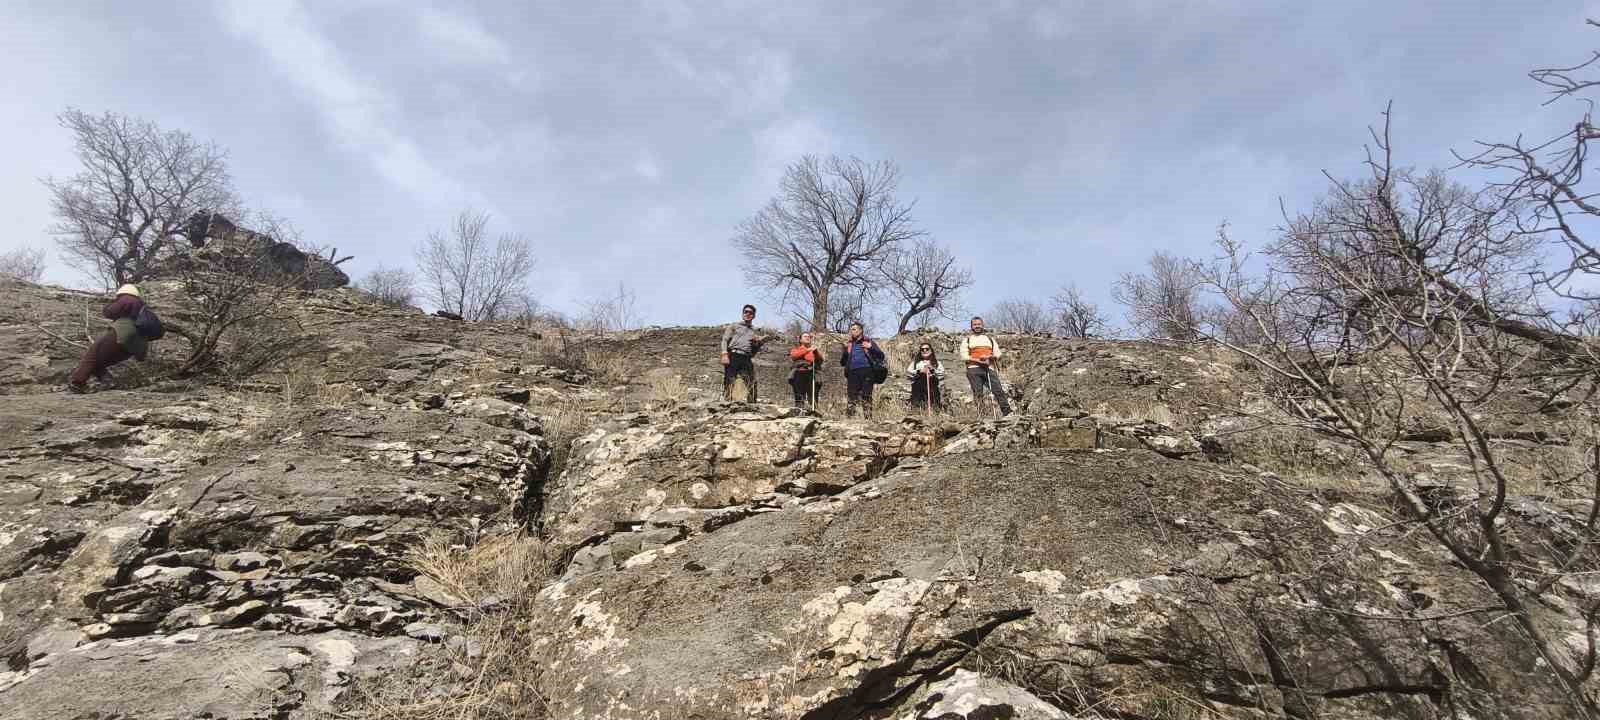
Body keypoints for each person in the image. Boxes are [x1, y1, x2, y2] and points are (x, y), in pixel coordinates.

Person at [69, 284, 151, 392]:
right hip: (137, 345)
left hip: (122, 334)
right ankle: (109, 382)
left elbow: (110, 312)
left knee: (92, 354)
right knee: (99, 361)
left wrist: (108, 306)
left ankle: (77, 383)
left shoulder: (127, 298)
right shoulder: (144, 307)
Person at [957, 316, 1012, 416]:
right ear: (971, 326)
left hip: (989, 368)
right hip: (973, 369)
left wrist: (989, 357)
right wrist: (978, 360)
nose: (977, 326)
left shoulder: (990, 339)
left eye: (979, 324)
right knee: (978, 393)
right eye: (975, 324)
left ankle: (1008, 413)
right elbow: (964, 356)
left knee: (998, 390)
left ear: (982, 325)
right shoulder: (967, 340)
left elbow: (998, 354)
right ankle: (981, 415)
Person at [838, 322, 885, 418]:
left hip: (867, 371)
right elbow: (842, 362)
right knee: (851, 396)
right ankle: (850, 419)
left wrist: (870, 347)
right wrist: (845, 350)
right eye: (851, 329)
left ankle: (868, 419)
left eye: (854, 329)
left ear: (860, 330)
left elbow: (881, 356)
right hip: (852, 372)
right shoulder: (849, 344)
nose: (852, 331)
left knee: (866, 395)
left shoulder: (868, 341)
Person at [720, 304, 767, 402]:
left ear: (753, 316)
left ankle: (752, 405)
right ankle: (726, 403)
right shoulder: (734, 325)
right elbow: (724, 340)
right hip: (733, 355)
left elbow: (754, 350)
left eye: (750, 313)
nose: (748, 314)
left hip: (746, 357)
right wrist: (724, 354)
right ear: (742, 314)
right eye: (746, 312)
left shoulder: (754, 331)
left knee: (751, 381)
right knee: (729, 379)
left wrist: (759, 343)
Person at [787, 331, 825, 409]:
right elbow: (794, 356)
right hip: (799, 373)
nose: (808, 337)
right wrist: (808, 350)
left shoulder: (814, 350)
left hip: (812, 373)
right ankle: (799, 410)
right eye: (805, 336)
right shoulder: (796, 349)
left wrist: (816, 352)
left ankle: (813, 410)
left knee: (813, 393)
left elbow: (820, 361)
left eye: (809, 337)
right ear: (800, 340)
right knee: (799, 393)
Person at [906, 341, 946, 414]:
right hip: (918, 389)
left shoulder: (937, 363)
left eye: (927, 349)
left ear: (931, 350)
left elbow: (942, 374)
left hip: (933, 387)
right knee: (918, 401)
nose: (925, 351)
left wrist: (933, 370)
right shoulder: (915, 363)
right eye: (922, 349)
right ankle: (917, 412)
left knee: (934, 399)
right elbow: (909, 373)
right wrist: (919, 371)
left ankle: (935, 412)